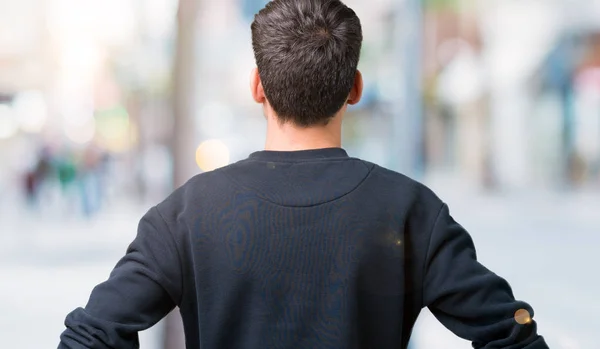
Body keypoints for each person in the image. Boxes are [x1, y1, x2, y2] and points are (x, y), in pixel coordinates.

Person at [58, 1, 548, 348]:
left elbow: (89, 336)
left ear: (257, 87)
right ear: (355, 88)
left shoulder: (186, 213)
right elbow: (510, 333)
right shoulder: (409, 211)